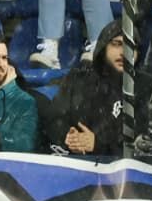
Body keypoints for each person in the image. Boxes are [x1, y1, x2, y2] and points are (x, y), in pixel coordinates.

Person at [42, 20, 128, 159]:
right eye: (116, 44)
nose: (123, 53)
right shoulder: (78, 78)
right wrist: (70, 138)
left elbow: (142, 142)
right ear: (103, 46)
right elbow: (56, 118)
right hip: (75, 163)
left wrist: (98, 143)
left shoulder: (145, 87)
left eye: (130, 46)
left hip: (120, 172)